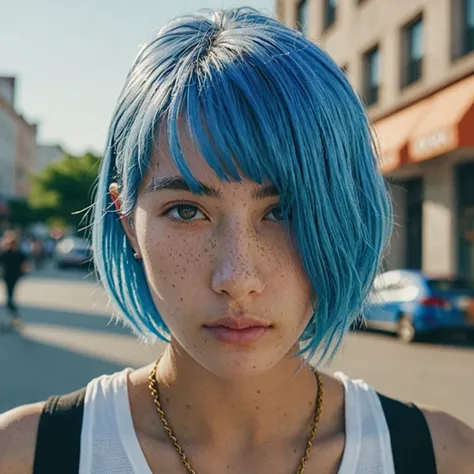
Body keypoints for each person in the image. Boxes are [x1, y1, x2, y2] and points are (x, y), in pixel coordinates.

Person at [1, 7, 473, 474]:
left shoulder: (446, 458)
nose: (237, 278)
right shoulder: (22, 457)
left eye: (283, 211)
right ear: (126, 219)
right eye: (186, 211)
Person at [0, 230, 29, 330]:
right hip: (14, 277)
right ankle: (14, 318)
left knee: (9, 298)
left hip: (9, 277)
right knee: (10, 296)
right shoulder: (19, 253)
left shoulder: (6, 253)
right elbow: (25, 266)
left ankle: (14, 317)